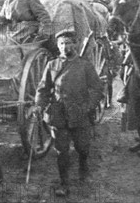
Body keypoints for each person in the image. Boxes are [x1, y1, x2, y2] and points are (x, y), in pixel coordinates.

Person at [33, 30, 103, 197]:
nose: (65, 47)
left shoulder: (85, 65)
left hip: (80, 113)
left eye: (68, 43)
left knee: (82, 147)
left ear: (75, 45)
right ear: (58, 46)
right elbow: (43, 89)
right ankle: (64, 183)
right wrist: (38, 106)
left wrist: (89, 107)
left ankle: (83, 165)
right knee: (61, 150)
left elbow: (97, 89)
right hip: (59, 114)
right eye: (62, 44)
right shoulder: (52, 65)